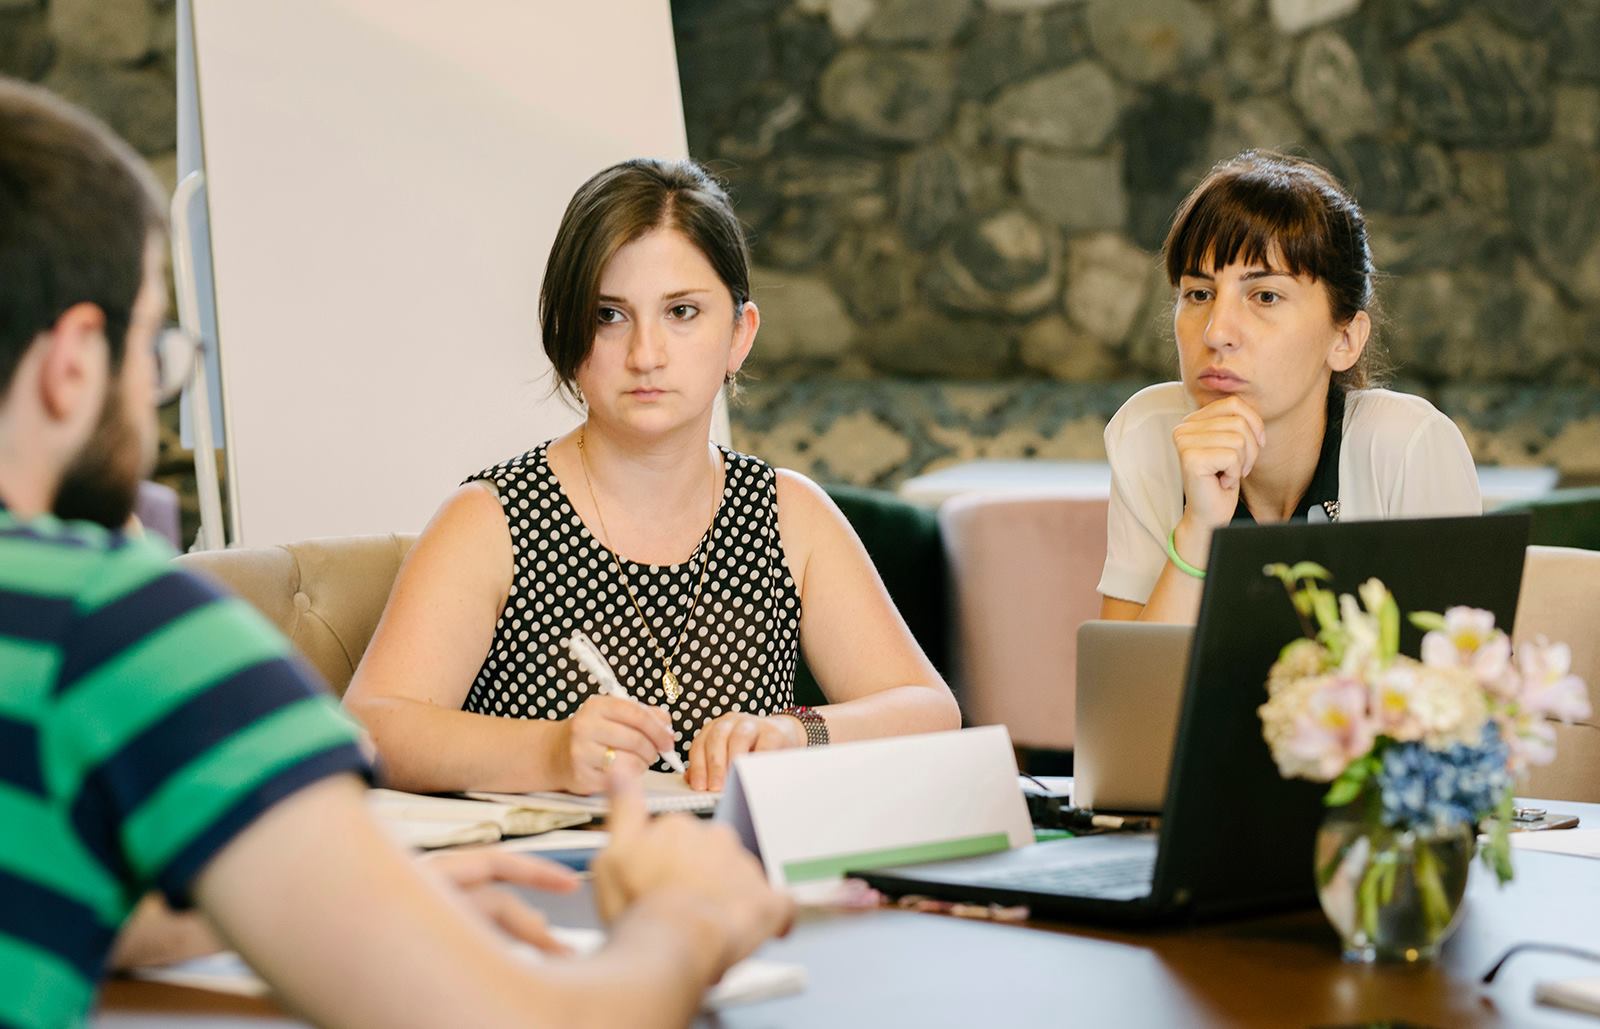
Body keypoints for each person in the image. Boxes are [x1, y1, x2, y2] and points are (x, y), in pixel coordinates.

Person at [0, 77, 790, 1029]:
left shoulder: (783, 508)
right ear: (74, 363)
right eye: (154, 354)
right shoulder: (114, 634)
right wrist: (683, 922)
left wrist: (345, 907)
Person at [344, 158, 959, 796]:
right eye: (609, 315)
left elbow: (929, 711)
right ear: (566, 335)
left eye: (682, 311)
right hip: (565, 859)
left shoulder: (788, 512)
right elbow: (369, 727)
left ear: (739, 334)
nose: (645, 354)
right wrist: (549, 752)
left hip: (738, 858)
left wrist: (799, 732)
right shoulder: (490, 518)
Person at [1098, 150, 1481, 625]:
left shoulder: (1407, 448)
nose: (1216, 332)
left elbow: (1460, 671)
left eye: (1265, 296)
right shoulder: (1147, 434)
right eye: (1199, 294)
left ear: (1345, 339)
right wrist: (1198, 529)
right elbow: (1123, 674)